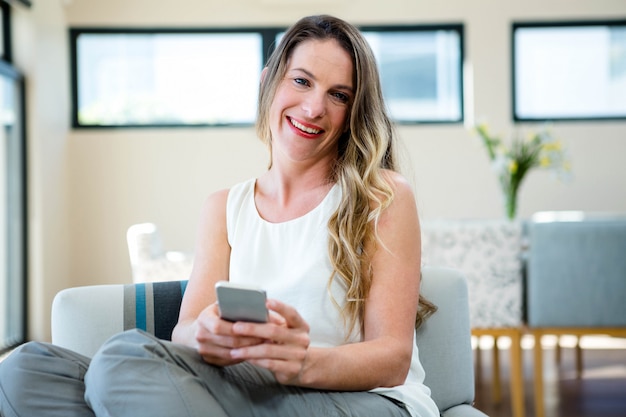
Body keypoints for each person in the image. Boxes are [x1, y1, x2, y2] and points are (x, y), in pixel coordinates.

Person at [0, 14, 439, 417]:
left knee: (122, 363)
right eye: (302, 81)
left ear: (352, 112)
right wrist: (205, 332)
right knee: (27, 368)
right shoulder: (224, 207)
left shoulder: (382, 196)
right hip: (249, 390)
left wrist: (301, 362)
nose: (313, 109)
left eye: (338, 95)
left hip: (362, 401)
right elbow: (186, 332)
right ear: (268, 82)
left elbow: (393, 358)